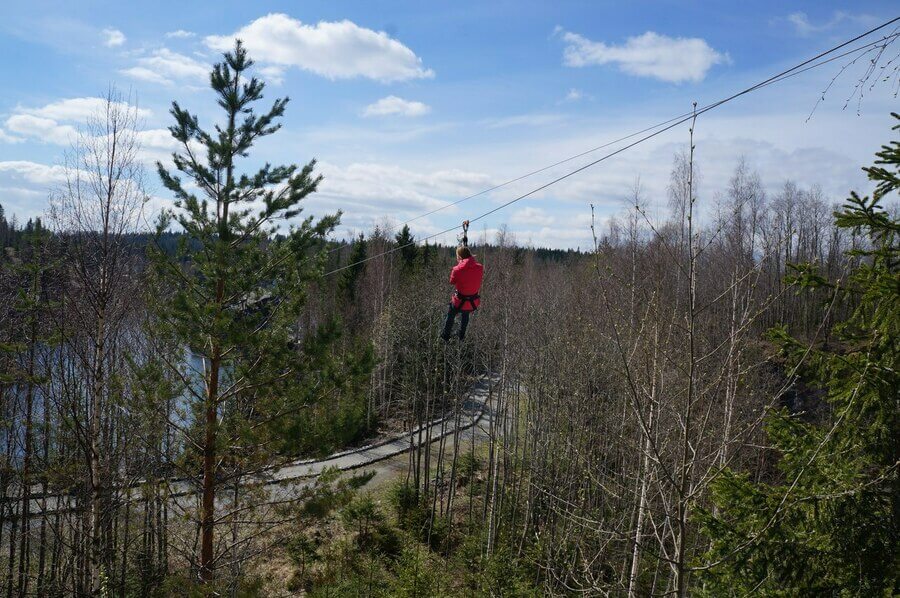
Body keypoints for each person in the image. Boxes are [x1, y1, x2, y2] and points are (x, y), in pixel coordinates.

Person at [441, 246, 484, 341]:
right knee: (466, 313)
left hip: (459, 302)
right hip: (472, 302)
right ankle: (461, 335)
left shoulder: (457, 269)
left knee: (450, 313)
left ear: (459, 257)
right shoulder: (480, 267)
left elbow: (452, 281)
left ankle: (446, 334)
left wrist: (460, 264)